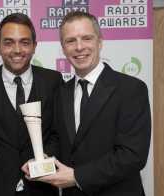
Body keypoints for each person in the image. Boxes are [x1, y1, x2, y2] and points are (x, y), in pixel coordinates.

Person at [22, 11, 151, 196]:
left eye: (86, 38)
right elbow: (59, 140)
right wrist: (41, 160)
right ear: (63, 47)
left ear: (100, 41)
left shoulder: (131, 89)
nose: (79, 47)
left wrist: (77, 177)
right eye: (70, 41)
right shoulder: (60, 92)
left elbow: (132, 156)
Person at [0, 13, 63, 196]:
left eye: (24, 42)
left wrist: (45, 158)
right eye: (8, 42)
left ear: (34, 46)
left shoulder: (53, 80)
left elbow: (61, 131)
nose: (17, 50)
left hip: (42, 187)